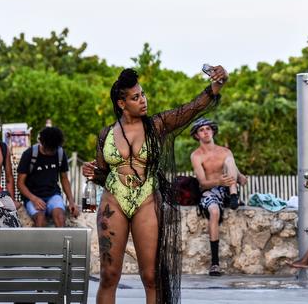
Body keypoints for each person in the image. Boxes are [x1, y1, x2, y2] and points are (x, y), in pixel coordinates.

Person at [82, 66, 228, 304]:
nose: (143, 101)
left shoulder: (156, 125)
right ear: (121, 103)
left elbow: (190, 109)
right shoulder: (105, 134)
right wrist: (91, 171)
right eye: (135, 97)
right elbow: (103, 173)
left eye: (143, 94)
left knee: (151, 276)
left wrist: (216, 86)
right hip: (113, 201)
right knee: (109, 275)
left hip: (146, 200)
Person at [190, 118, 247, 276]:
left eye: (208, 128)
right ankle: (215, 263)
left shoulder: (225, 151)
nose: (206, 132)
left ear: (213, 131)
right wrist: (218, 181)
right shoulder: (196, 156)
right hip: (210, 190)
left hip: (227, 188)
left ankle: (233, 195)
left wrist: (241, 177)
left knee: (229, 159)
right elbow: (202, 183)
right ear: (196, 136)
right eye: (201, 130)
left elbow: (235, 171)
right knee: (214, 212)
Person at [17, 126, 79, 227]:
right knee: (40, 219)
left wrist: (71, 202)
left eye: (53, 149)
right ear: (42, 143)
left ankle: (60, 242)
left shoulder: (60, 153)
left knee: (60, 216)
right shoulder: (29, 154)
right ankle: (42, 243)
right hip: (33, 196)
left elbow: (64, 179)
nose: (51, 152)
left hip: (53, 194)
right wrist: (34, 199)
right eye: (48, 149)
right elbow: (20, 183)